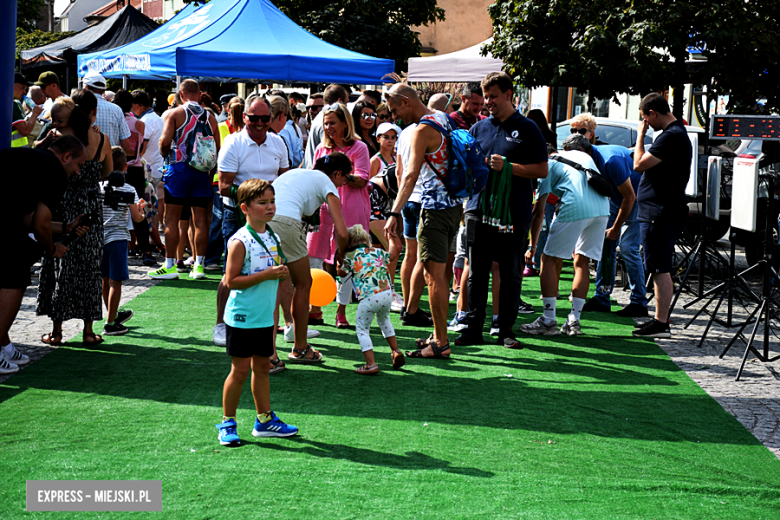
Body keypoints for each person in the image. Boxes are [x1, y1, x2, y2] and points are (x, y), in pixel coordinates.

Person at [454, 72, 549, 349]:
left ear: (509, 94)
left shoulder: (529, 128)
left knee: (509, 271)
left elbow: (541, 169)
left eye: (493, 96)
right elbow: (466, 165)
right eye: (486, 96)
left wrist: (508, 167)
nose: (488, 102)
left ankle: (506, 329)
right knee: (476, 271)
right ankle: (473, 328)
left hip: (513, 211)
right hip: (478, 208)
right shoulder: (478, 128)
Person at [214, 178, 298, 446]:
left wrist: (280, 271)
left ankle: (264, 420)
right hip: (242, 317)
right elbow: (231, 280)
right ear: (245, 207)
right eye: (262, 202)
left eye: (272, 201)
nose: (270, 207)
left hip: (264, 317)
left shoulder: (272, 235)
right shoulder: (240, 241)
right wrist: (267, 275)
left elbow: (273, 266)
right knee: (239, 371)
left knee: (262, 366)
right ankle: (227, 423)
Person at [383, 83, 463, 359]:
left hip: (433, 210)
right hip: (453, 206)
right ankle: (437, 334)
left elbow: (409, 175)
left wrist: (394, 211)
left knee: (433, 276)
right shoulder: (442, 118)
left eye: (395, 110)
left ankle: (440, 342)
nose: (395, 117)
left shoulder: (421, 131)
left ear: (406, 101)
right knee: (437, 272)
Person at [0, 136, 87, 375]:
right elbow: (39, 224)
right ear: (66, 157)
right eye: (78, 164)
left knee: (11, 273)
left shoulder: (30, 158)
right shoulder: (54, 170)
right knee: (14, 278)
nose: (78, 172)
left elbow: (28, 218)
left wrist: (66, 227)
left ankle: (4, 345)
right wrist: (51, 249)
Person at [36, 90, 113, 347]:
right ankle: (89, 332)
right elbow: (109, 171)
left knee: (61, 264)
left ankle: (56, 331)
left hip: (62, 204)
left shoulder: (60, 137)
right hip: (91, 207)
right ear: (93, 112)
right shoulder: (101, 138)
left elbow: (38, 154)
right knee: (90, 268)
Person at [213, 95, 289, 347]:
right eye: (253, 118)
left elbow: (285, 179)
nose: (259, 123)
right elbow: (224, 186)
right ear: (243, 117)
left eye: (264, 118)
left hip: (270, 216)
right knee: (231, 273)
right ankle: (221, 324)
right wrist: (254, 201)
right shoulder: (233, 143)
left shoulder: (278, 142)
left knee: (275, 269)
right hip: (237, 214)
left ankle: (280, 324)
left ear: (272, 118)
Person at [521, 134, 609, 336]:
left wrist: (532, 245)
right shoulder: (586, 157)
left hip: (574, 207)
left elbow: (538, 211)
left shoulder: (548, 164)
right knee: (582, 262)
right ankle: (574, 321)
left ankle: (548, 320)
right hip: (602, 209)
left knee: (548, 259)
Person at [271, 154, 351, 362]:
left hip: (261, 221)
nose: (343, 184)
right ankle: (300, 348)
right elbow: (342, 232)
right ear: (337, 173)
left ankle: (268, 355)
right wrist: (342, 255)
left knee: (271, 286)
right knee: (304, 283)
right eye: (345, 178)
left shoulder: (298, 173)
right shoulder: (327, 183)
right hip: (286, 223)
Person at [632, 93, 692, 338]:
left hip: (660, 211)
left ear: (652, 113)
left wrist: (640, 136)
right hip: (661, 210)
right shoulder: (676, 133)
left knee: (659, 267)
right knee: (658, 266)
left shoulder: (671, 136)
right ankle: (660, 320)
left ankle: (660, 322)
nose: (646, 123)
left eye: (645, 118)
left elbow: (638, 164)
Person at [308, 102, 371, 329]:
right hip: (324, 212)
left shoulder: (359, 148)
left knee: (345, 261)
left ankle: (341, 312)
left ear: (345, 123)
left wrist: (339, 176)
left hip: (351, 211)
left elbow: (363, 179)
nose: (328, 128)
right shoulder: (321, 149)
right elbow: (315, 179)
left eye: (332, 122)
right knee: (315, 259)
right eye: (325, 123)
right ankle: (315, 308)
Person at [153, 78, 221, 280]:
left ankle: (170, 266)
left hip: (179, 169)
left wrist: (166, 154)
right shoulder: (210, 117)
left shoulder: (175, 113)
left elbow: (165, 143)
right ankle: (199, 266)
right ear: (199, 94)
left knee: (171, 219)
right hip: (202, 172)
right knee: (201, 220)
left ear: (180, 94)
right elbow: (217, 147)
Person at [578, 143, 646, 317]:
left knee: (628, 249)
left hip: (637, 196)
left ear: (586, 152)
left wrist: (615, 228)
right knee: (605, 245)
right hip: (617, 196)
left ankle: (639, 302)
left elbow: (629, 197)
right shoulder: (586, 158)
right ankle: (602, 297)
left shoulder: (610, 161)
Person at [338, 224, 405, 374]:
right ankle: (395, 350)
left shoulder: (351, 256)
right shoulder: (378, 251)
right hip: (387, 294)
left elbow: (342, 274)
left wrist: (339, 260)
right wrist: (392, 240)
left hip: (369, 298)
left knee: (362, 329)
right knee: (384, 320)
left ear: (349, 243)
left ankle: (371, 364)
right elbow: (393, 255)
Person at [101, 147, 145, 336]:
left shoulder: (99, 186)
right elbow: (137, 218)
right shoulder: (129, 189)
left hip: (100, 238)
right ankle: (110, 323)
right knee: (115, 281)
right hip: (118, 238)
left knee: (104, 280)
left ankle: (112, 315)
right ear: (125, 167)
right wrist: (142, 211)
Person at [114, 89, 156, 267]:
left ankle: (124, 248)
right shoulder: (139, 123)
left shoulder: (117, 120)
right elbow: (139, 149)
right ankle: (145, 250)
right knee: (139, 210)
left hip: (118, 170)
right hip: (136, 169)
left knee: (115, 209)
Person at [368, 122, 404, 311]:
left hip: (388, 206)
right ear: (378, 138)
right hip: (375, 204)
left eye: (393, 137)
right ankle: (388, 291)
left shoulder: (396, 157)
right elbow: (370, 183)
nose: (390, 141)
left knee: (379, 248)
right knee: (393, 246)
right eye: (386, 137)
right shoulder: (376, 160)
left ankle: (380, 290)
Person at [132, 89, 166, 256]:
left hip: (148, 169)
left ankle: (148, 241)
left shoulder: (146, 121)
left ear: (139, 105)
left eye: (132, 106)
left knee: (145, 210)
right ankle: (151, 240)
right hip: (157, 166)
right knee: (153, 208)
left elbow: (141, 147)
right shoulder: (158, 118)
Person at [82, 73, 133, 154]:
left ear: (86, 87)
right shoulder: (116, 109)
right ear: (103, 90)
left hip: (85, 161)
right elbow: (126, 146)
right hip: (111, 161)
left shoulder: (79, 107)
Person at [303, 84, 349, 168]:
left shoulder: (321, 118)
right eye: (346, 103)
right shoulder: (324, 121)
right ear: (340, 101)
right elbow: (329, 156)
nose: (346, 106)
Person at [12, 72, 43, 148]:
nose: (24, 92)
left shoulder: (11, 103)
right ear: (11, 85)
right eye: (22, 88)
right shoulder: (12, 105)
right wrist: (35, 114)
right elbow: (25, 131)